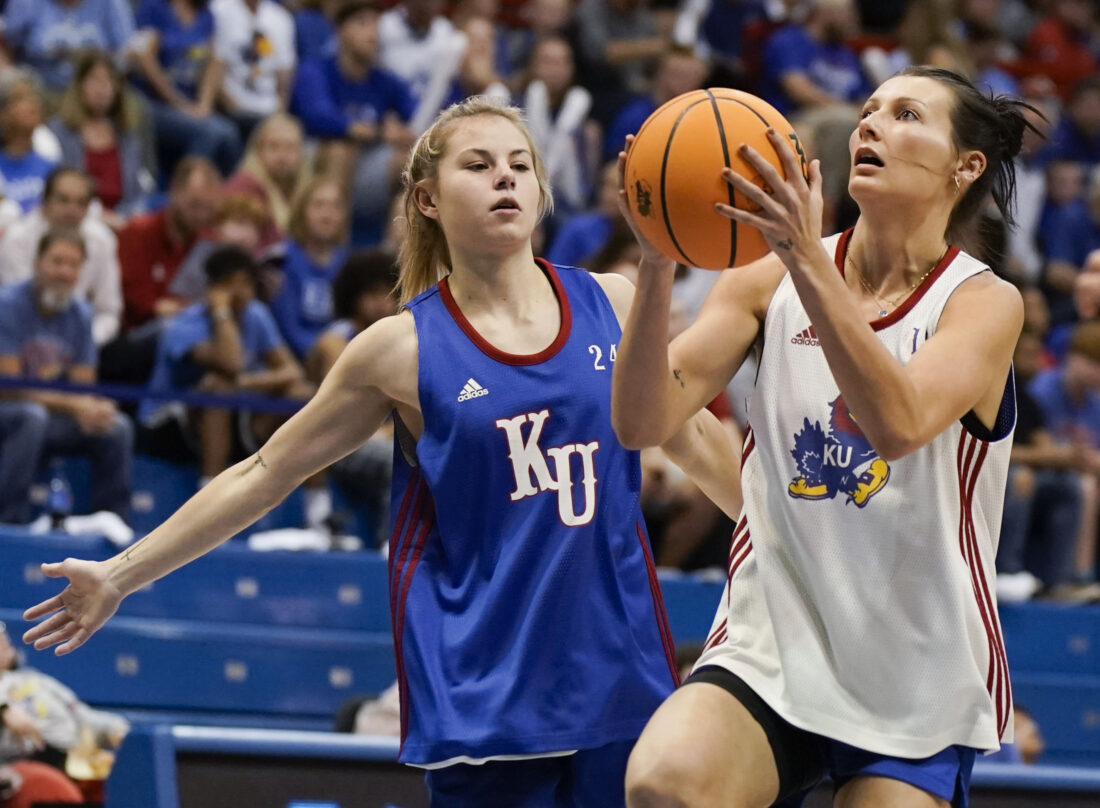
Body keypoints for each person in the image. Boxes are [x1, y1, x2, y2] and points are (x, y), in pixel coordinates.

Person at [21, 96, 740, 806]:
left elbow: (698, 439)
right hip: (487, 692)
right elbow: (265, 472)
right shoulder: (401, 350)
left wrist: (813, 534)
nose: (506, 179)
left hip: (621, 675)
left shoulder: (611, 305)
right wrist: (120, 574)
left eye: (520, 165)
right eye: (480, 164)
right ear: (426, 199)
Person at [614, 66, 1032, 807]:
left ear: (965, 166)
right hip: (774, 643)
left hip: (915, 670)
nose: (870, 124)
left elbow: (897, 423)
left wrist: (806, 258)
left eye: (906, 114)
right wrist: (655, 261)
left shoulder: (983, 304)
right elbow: (642, 421)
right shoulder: (759, 281)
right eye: (869, 111)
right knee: (664, 784)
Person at [0, 228, 133, 526]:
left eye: (73, 265)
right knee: (30, 417)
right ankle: (9, 525)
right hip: (9, 412)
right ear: (37, 263)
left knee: (116, 427)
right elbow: (10, 387)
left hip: (50, 414)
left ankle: (112, 530)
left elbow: (83, 386)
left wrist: (92, 410)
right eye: (57, 262)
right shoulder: (6, 305)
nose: (64, 272)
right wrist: (75, 406)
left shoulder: (83, 314)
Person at [0, 167, 123, 345]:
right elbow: (16, 305)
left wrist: (84, 341)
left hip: (80, 340)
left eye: (81, 203)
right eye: (63, 200)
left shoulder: (103, 240)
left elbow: (108, 312)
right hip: (19, 338)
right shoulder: (18, 238)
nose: (71, 210)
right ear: (45, 201)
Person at [48, 51, 157, 221]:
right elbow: (57, 191)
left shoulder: (128, 134)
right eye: (94, 80)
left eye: (109, 80)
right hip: (77, 220)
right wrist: (99, 216)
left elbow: (140, 190)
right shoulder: (59, 132)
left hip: (124, 219)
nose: (102, 88)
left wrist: (127, 218)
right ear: (79, 85)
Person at [269, 177, 351, 360]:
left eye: (335, 206)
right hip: (295, 360)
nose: (327, 214)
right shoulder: (281, 260)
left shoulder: (350, 264)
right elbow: (288, 329)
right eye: (318, 205)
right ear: (301, 211)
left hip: (341, 359)